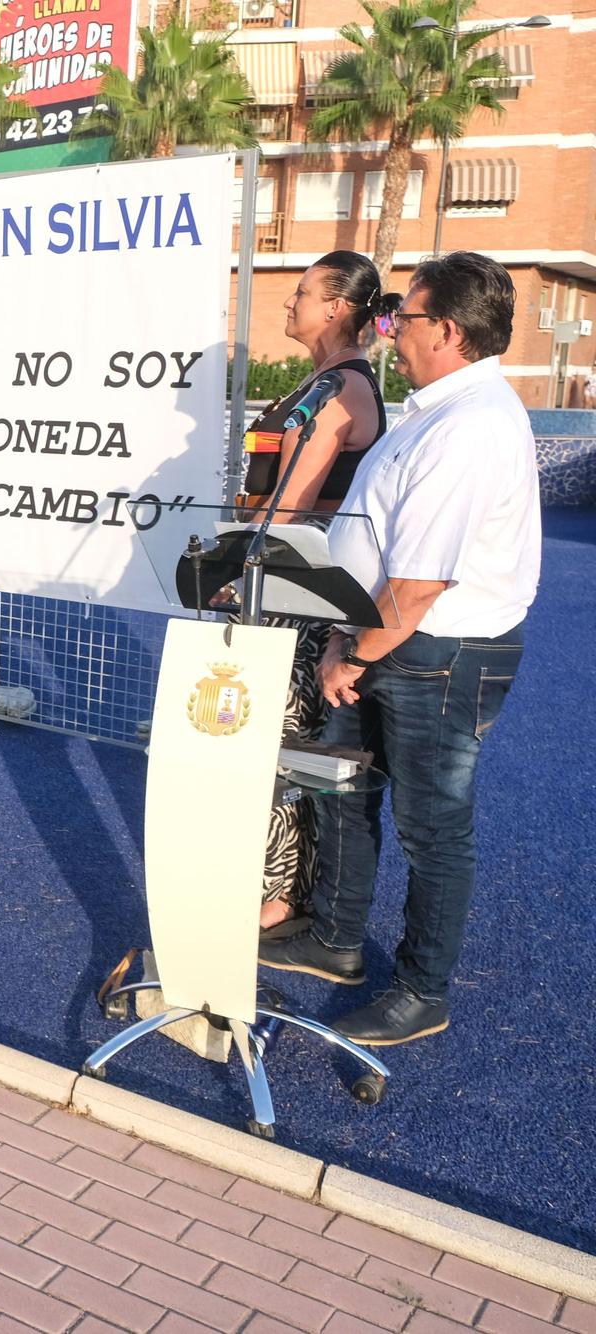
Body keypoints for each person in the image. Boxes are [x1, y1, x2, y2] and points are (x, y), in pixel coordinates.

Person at [260, 252, 541, 1046]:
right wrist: (348, 640)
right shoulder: (435, 409)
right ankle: (337, 940)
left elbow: (420, 584)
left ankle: (422, 991)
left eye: (403, 318)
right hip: (383, 639)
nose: (391, 330)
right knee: (343, 792)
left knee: (432, 828)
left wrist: (352, 652)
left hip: (436, 655)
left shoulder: (470, 424)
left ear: (447, 330)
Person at [239, 251, 391, 934]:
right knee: (262, 729)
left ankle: (286, 889)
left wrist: (243, 567)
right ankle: (273, 873)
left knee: (283, 733)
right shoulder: (318, 381)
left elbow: (291, 508)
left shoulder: (344, 389)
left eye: (301, 293)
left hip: (298, 586)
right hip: (279, 579)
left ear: (336, 307)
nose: (288, 303)